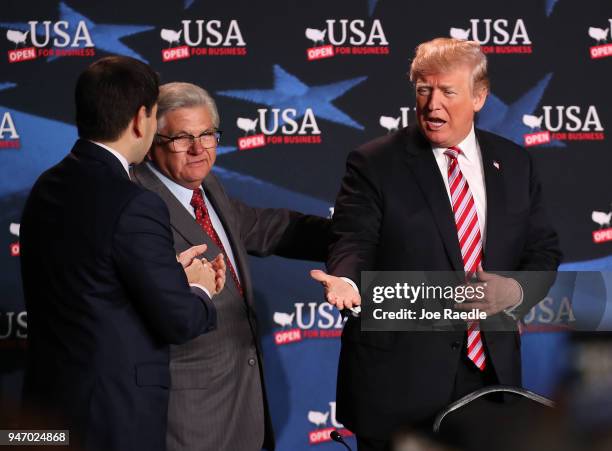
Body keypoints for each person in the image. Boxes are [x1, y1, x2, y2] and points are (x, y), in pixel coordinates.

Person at [311, 38, 562, 450]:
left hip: (490, 377)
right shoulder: (375, 163)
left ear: (479, 97)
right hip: (399, 381)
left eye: (448, 91)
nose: (432, 104)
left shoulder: (514, 163)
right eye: (424, 90)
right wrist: (349, 283)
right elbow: (354, 239)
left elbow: (543, 250)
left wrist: (515, 289)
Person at [19, 57, 224, 451]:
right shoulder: (135, 203)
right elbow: (180, 321)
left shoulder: (46, 186)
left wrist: (165, 274)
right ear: (140, 119)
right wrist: (197, 288)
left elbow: (94, 280)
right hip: (110, 421)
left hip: (41, 415)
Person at [131, 82, 331, 451]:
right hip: (185, 418)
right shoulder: (135, 202)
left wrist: (355, 234)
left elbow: (268, 229)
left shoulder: (207, 188)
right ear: (151, 143)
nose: (198, 150)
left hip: (242, 407)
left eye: (207, 135)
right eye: (182, 138)